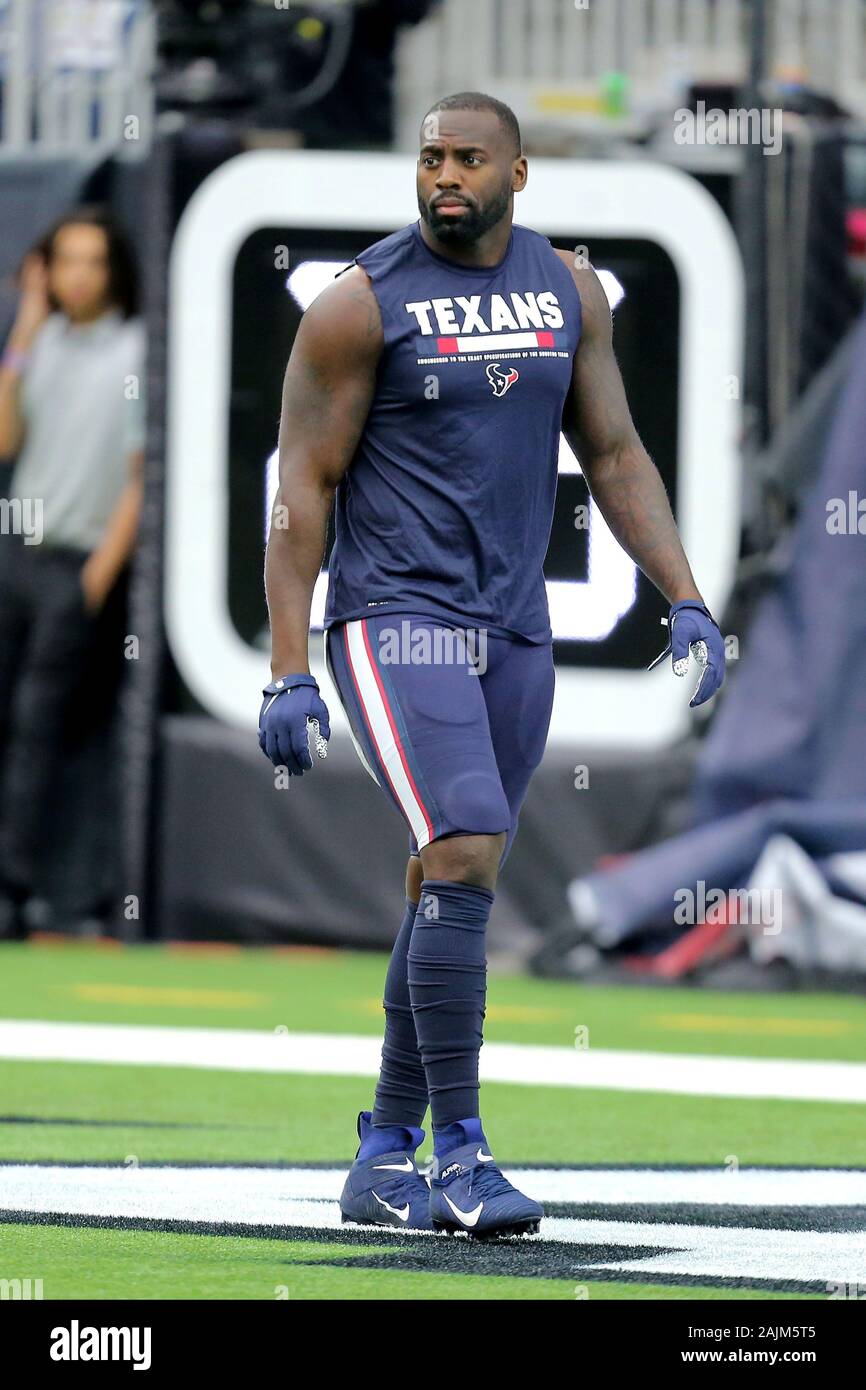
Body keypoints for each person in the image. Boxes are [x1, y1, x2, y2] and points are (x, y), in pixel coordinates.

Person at [258, 92, 726, 1237]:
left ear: (519, 174)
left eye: (467, 157)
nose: (443, 175)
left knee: (445, 879)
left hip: (515, 631)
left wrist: (686, 595)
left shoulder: (565, 289)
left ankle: (379, 1151)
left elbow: (612, 451)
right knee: (464, 844)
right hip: (394, 619)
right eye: (428, 156)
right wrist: (286, 663)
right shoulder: (354, 307)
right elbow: (299, 494)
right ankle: (460, 1151)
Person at [0, 207, 145, 937]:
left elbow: (136, 476)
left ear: (113, 269)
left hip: (74, 567)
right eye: (64, 261)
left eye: (92, 260)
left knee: (39, 728)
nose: (76, 276)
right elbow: (4, 437)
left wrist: (95, 577)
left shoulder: (133, 352)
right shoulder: (41, 343)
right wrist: (24, 326)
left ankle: (16, 888)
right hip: (14, 554)